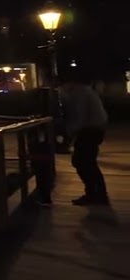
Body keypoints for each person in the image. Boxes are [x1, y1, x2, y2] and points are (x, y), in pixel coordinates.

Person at [59, 74, 110, 206]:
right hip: (94, 129)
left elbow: (79, 116)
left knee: (83, 162)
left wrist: (70, 133)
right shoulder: (85, 91)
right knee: (87, 162)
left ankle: (96, 194)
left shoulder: (80, 94)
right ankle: (96, 194)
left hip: (89, 130)